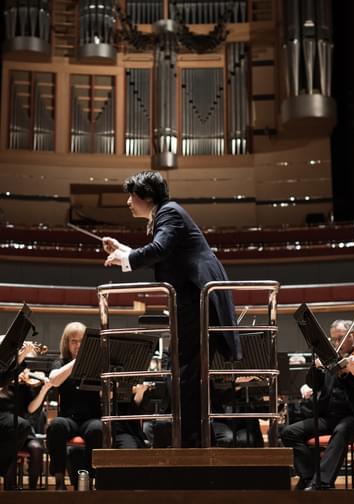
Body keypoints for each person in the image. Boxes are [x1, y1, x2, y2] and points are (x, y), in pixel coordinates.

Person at [102, 170, 241, 447]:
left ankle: (193, 445)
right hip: (193, 300)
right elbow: (163, 252)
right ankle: (193, 441)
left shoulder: (170, 213)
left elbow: (160, 249)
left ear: (148, 196)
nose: (128, 202)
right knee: (185, 373)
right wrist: (125, 250)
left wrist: (126, 259)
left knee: (188, 374)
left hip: (197, 299)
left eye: (132, 196)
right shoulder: (166, 214)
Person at [280, 319, 354, 490]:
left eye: (341, 338)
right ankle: (309, 476)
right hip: (328, 417)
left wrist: (350, 375)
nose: (337, 344)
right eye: (333, 340)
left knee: (342, 430)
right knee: (288, 432)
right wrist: (316, 368)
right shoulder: (331, 358)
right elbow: (314, 384)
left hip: (352, 417)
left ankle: (321, 483)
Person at [47, 322, 103, 490]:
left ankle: (88, 479)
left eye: (81, 341)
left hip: (91, 418)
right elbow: (54, 380)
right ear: (66, 343)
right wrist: (77, 362)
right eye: (73, 341)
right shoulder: (61, 362)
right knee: (56, 425)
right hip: (68, 420)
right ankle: (59, 480)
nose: (78, 345)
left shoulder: (95, 363)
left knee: (98, 429)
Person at [0, 341, 47, 490]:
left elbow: (30, 410)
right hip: (6, 430)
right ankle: (10, 487)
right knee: (12, 447)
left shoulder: (26, 386)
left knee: (36, 448)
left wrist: (45, 389)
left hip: (22, 432)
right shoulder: (5, 381)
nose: (24, 370)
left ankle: (32, 491)